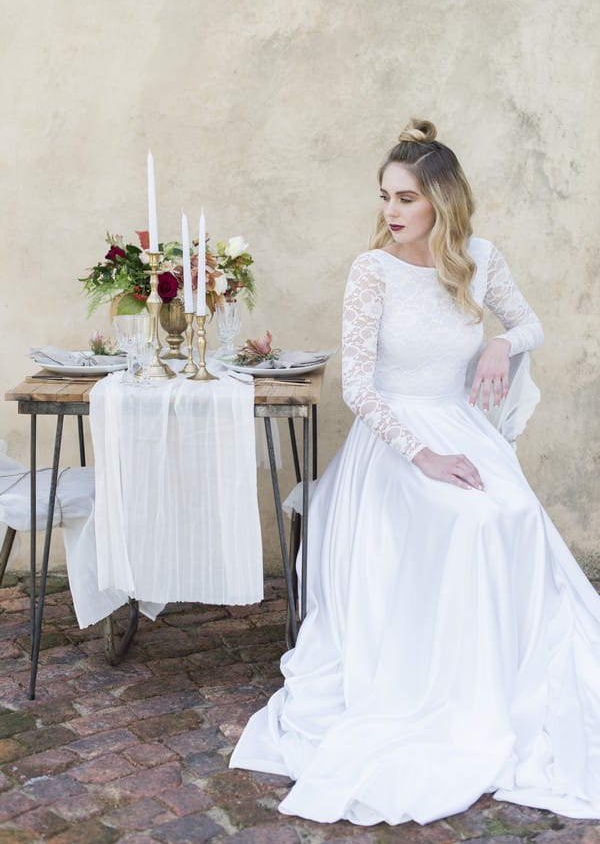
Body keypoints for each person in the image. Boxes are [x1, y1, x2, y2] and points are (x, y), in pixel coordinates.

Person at [230, 120, 600, 826]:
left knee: (511, 515)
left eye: (405, 198)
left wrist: (499, 342)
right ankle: (447, 688)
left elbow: (532, 326)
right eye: (384, 197)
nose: (391, 212)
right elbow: (360, 390)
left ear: (441, 201)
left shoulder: (480, 259)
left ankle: (498, 682)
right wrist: (421, 453)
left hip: (459, 426)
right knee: (468, 517)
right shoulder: (372, 272)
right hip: (393, 441)